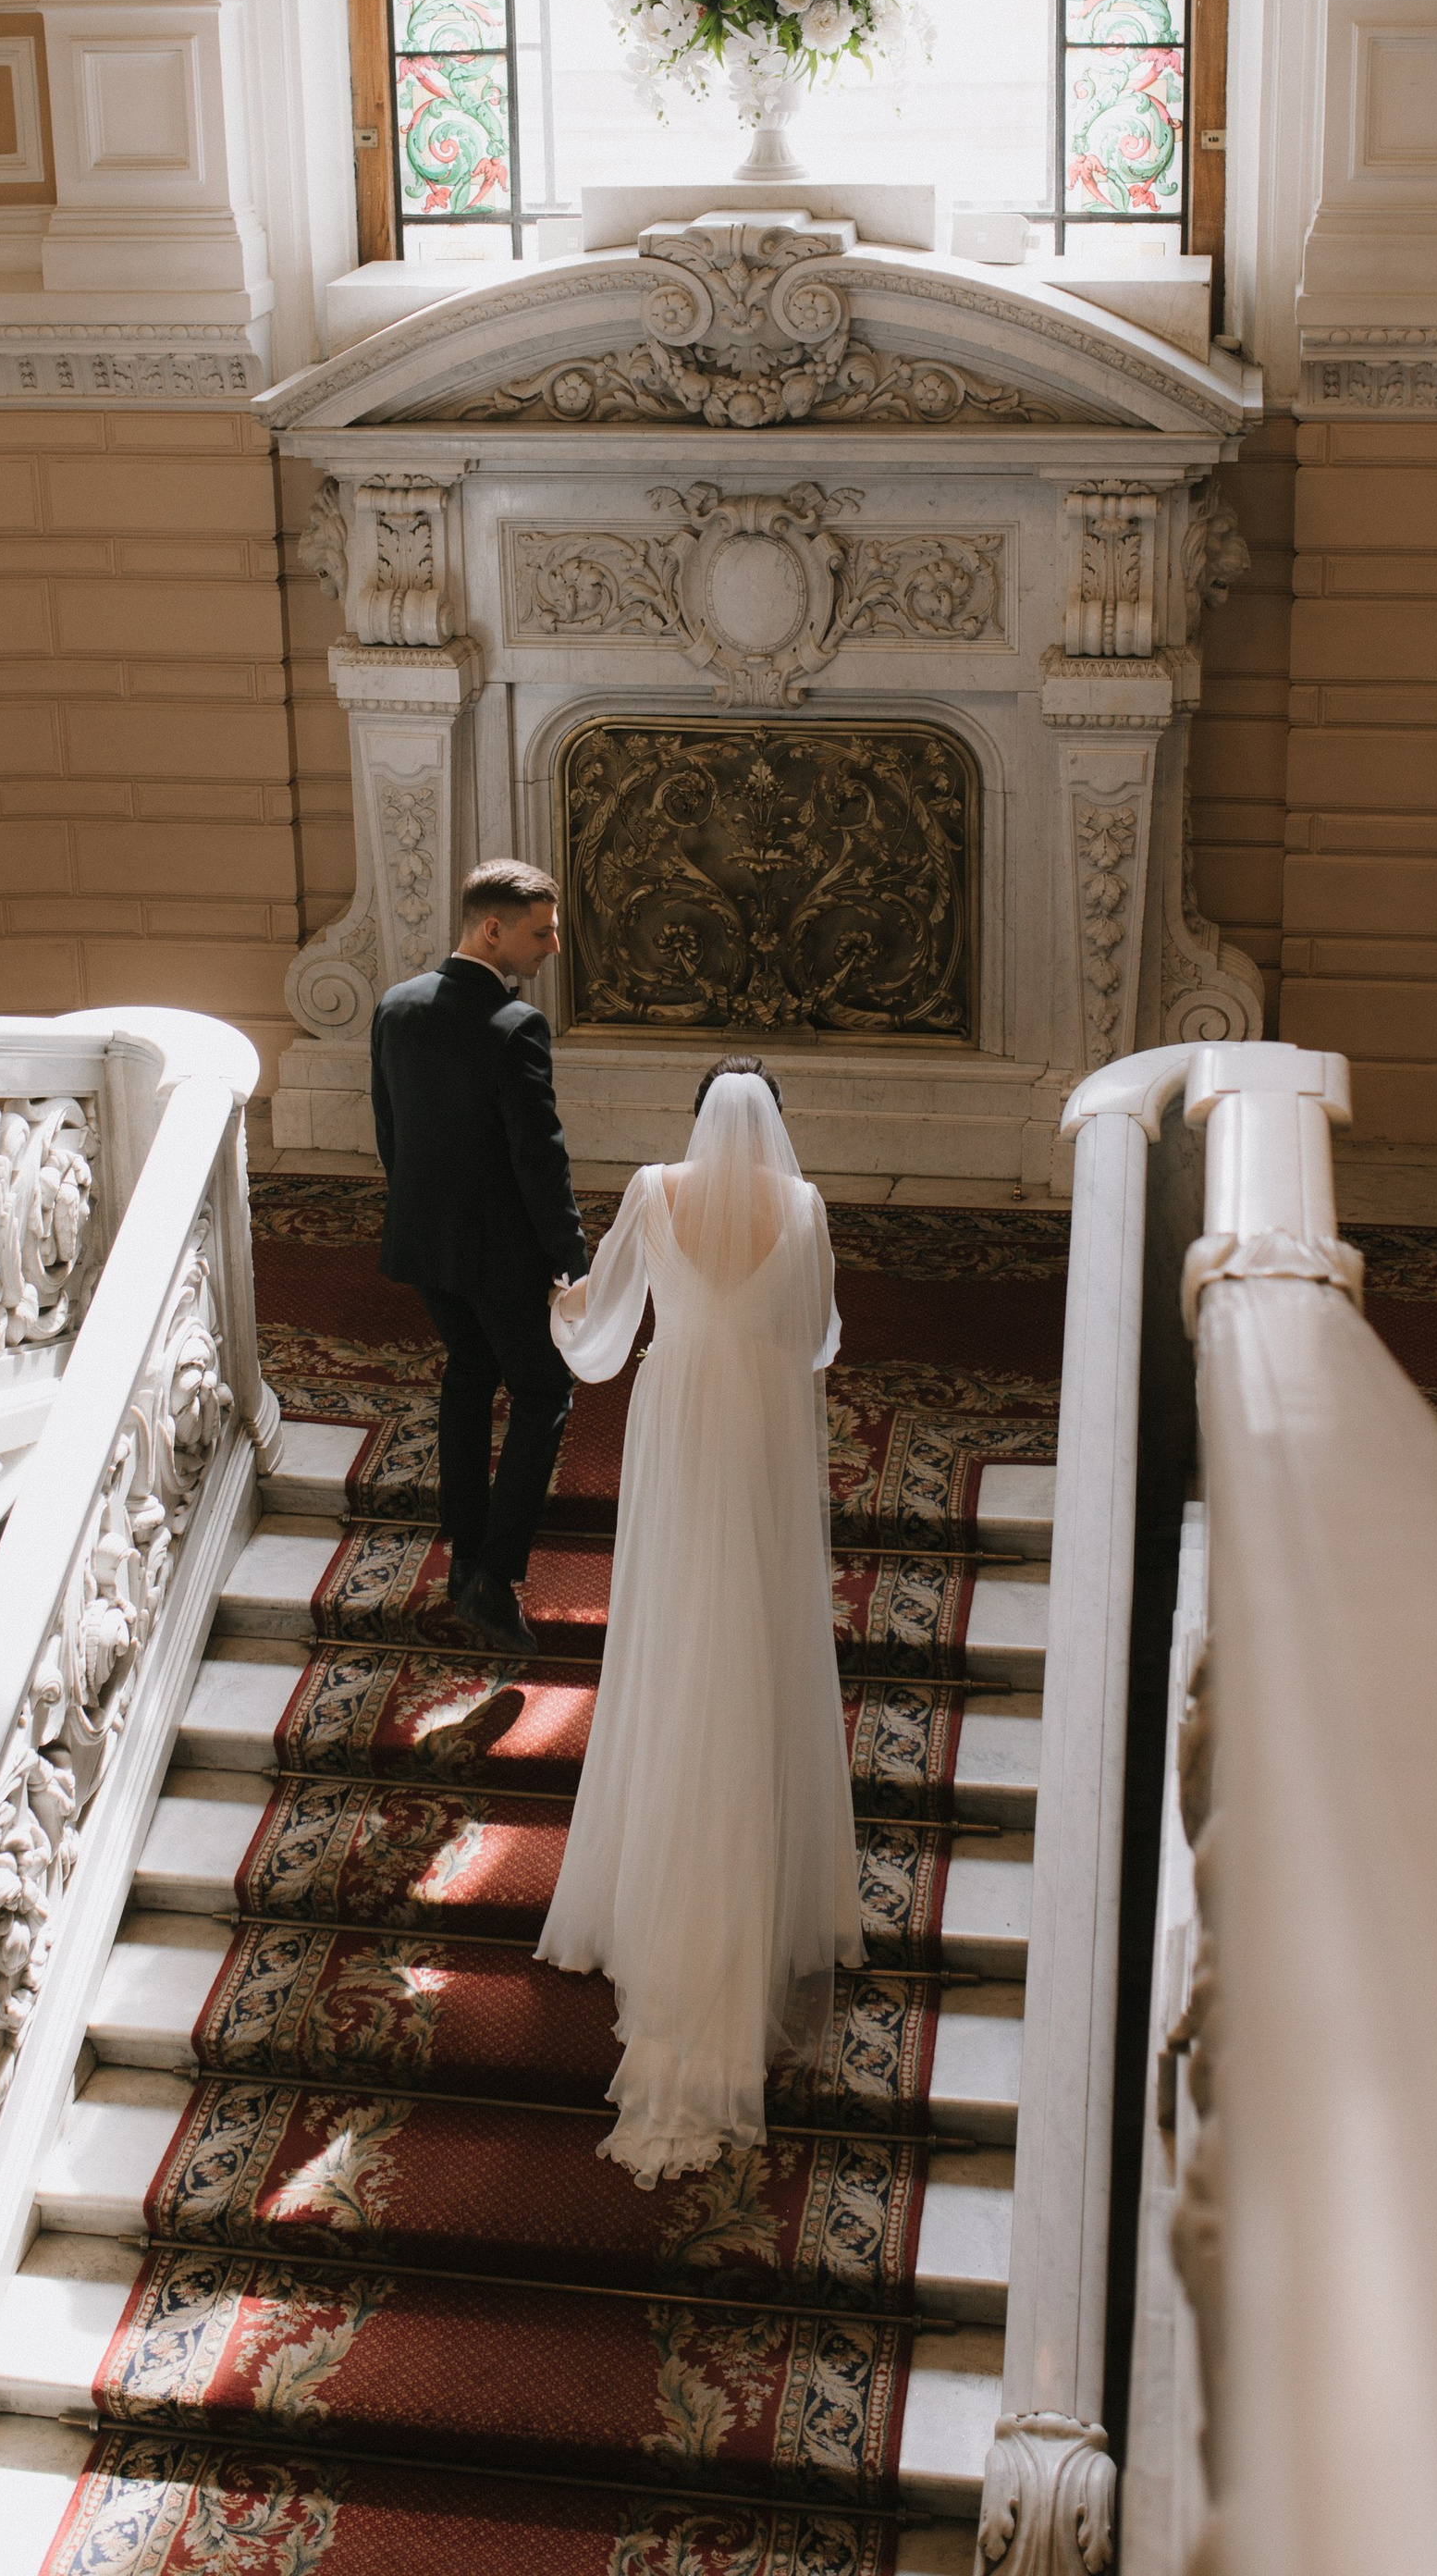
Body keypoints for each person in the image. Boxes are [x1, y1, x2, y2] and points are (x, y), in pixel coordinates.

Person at [536, 1057, 863, 2182]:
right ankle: (760, 1899)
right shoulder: (805, 1206)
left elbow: (600, 1328)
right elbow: (817, 1337)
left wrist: (560, 1304)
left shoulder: (649, 1187)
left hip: (676, 1421)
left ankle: (650, 1882)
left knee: (672, 1631)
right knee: (757, 1630)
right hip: (761, 1428)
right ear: (777, 1129)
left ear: (693, 1125)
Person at [369, 857, 587, 1650]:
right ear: (491, 929)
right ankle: (493, 1576)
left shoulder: (396, 1007)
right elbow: (541, 1156)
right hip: (498, 1255)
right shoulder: (514, 1027)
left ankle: (464, 1555)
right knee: (542, 1394)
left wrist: (423, 1216)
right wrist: (573, 1259)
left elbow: (390, 1133)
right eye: (542, 931)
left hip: (424, 1244)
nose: (553, 946)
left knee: (468, 1374)